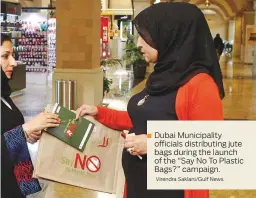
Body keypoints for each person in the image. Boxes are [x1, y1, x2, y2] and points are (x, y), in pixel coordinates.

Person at [76, 2, 224, 198]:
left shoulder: (200, 85)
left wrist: (153, 145)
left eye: (145, 36)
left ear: (169, 35)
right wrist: (99, 112)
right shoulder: (162, 76)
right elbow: (143, 119)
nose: (138, 44)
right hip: (139, 186)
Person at [1, 33, 61, 198]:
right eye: (5, 56)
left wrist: (27, 135)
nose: (13, 62)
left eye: (13, 55)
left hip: (12, 183)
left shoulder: (4, 93)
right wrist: (25, 129)